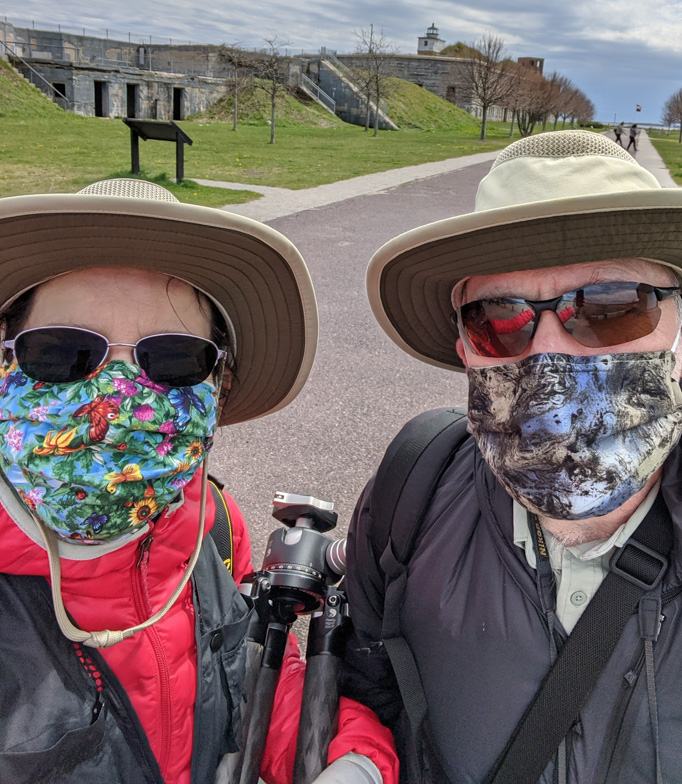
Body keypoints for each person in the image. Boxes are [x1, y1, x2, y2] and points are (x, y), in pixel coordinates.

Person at [341, 131, 682, 783]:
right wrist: (359, 761)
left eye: (608, 309)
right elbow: (368, 681)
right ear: (466, 347)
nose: (550, 359)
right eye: (500, 316)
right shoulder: (411, 496)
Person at [0, 178, 397, 784]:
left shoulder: (210, 524)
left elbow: (244, 665)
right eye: (64, 353)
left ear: (219, 388)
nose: (121, 396)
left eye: (173, 360)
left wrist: (352, 757)